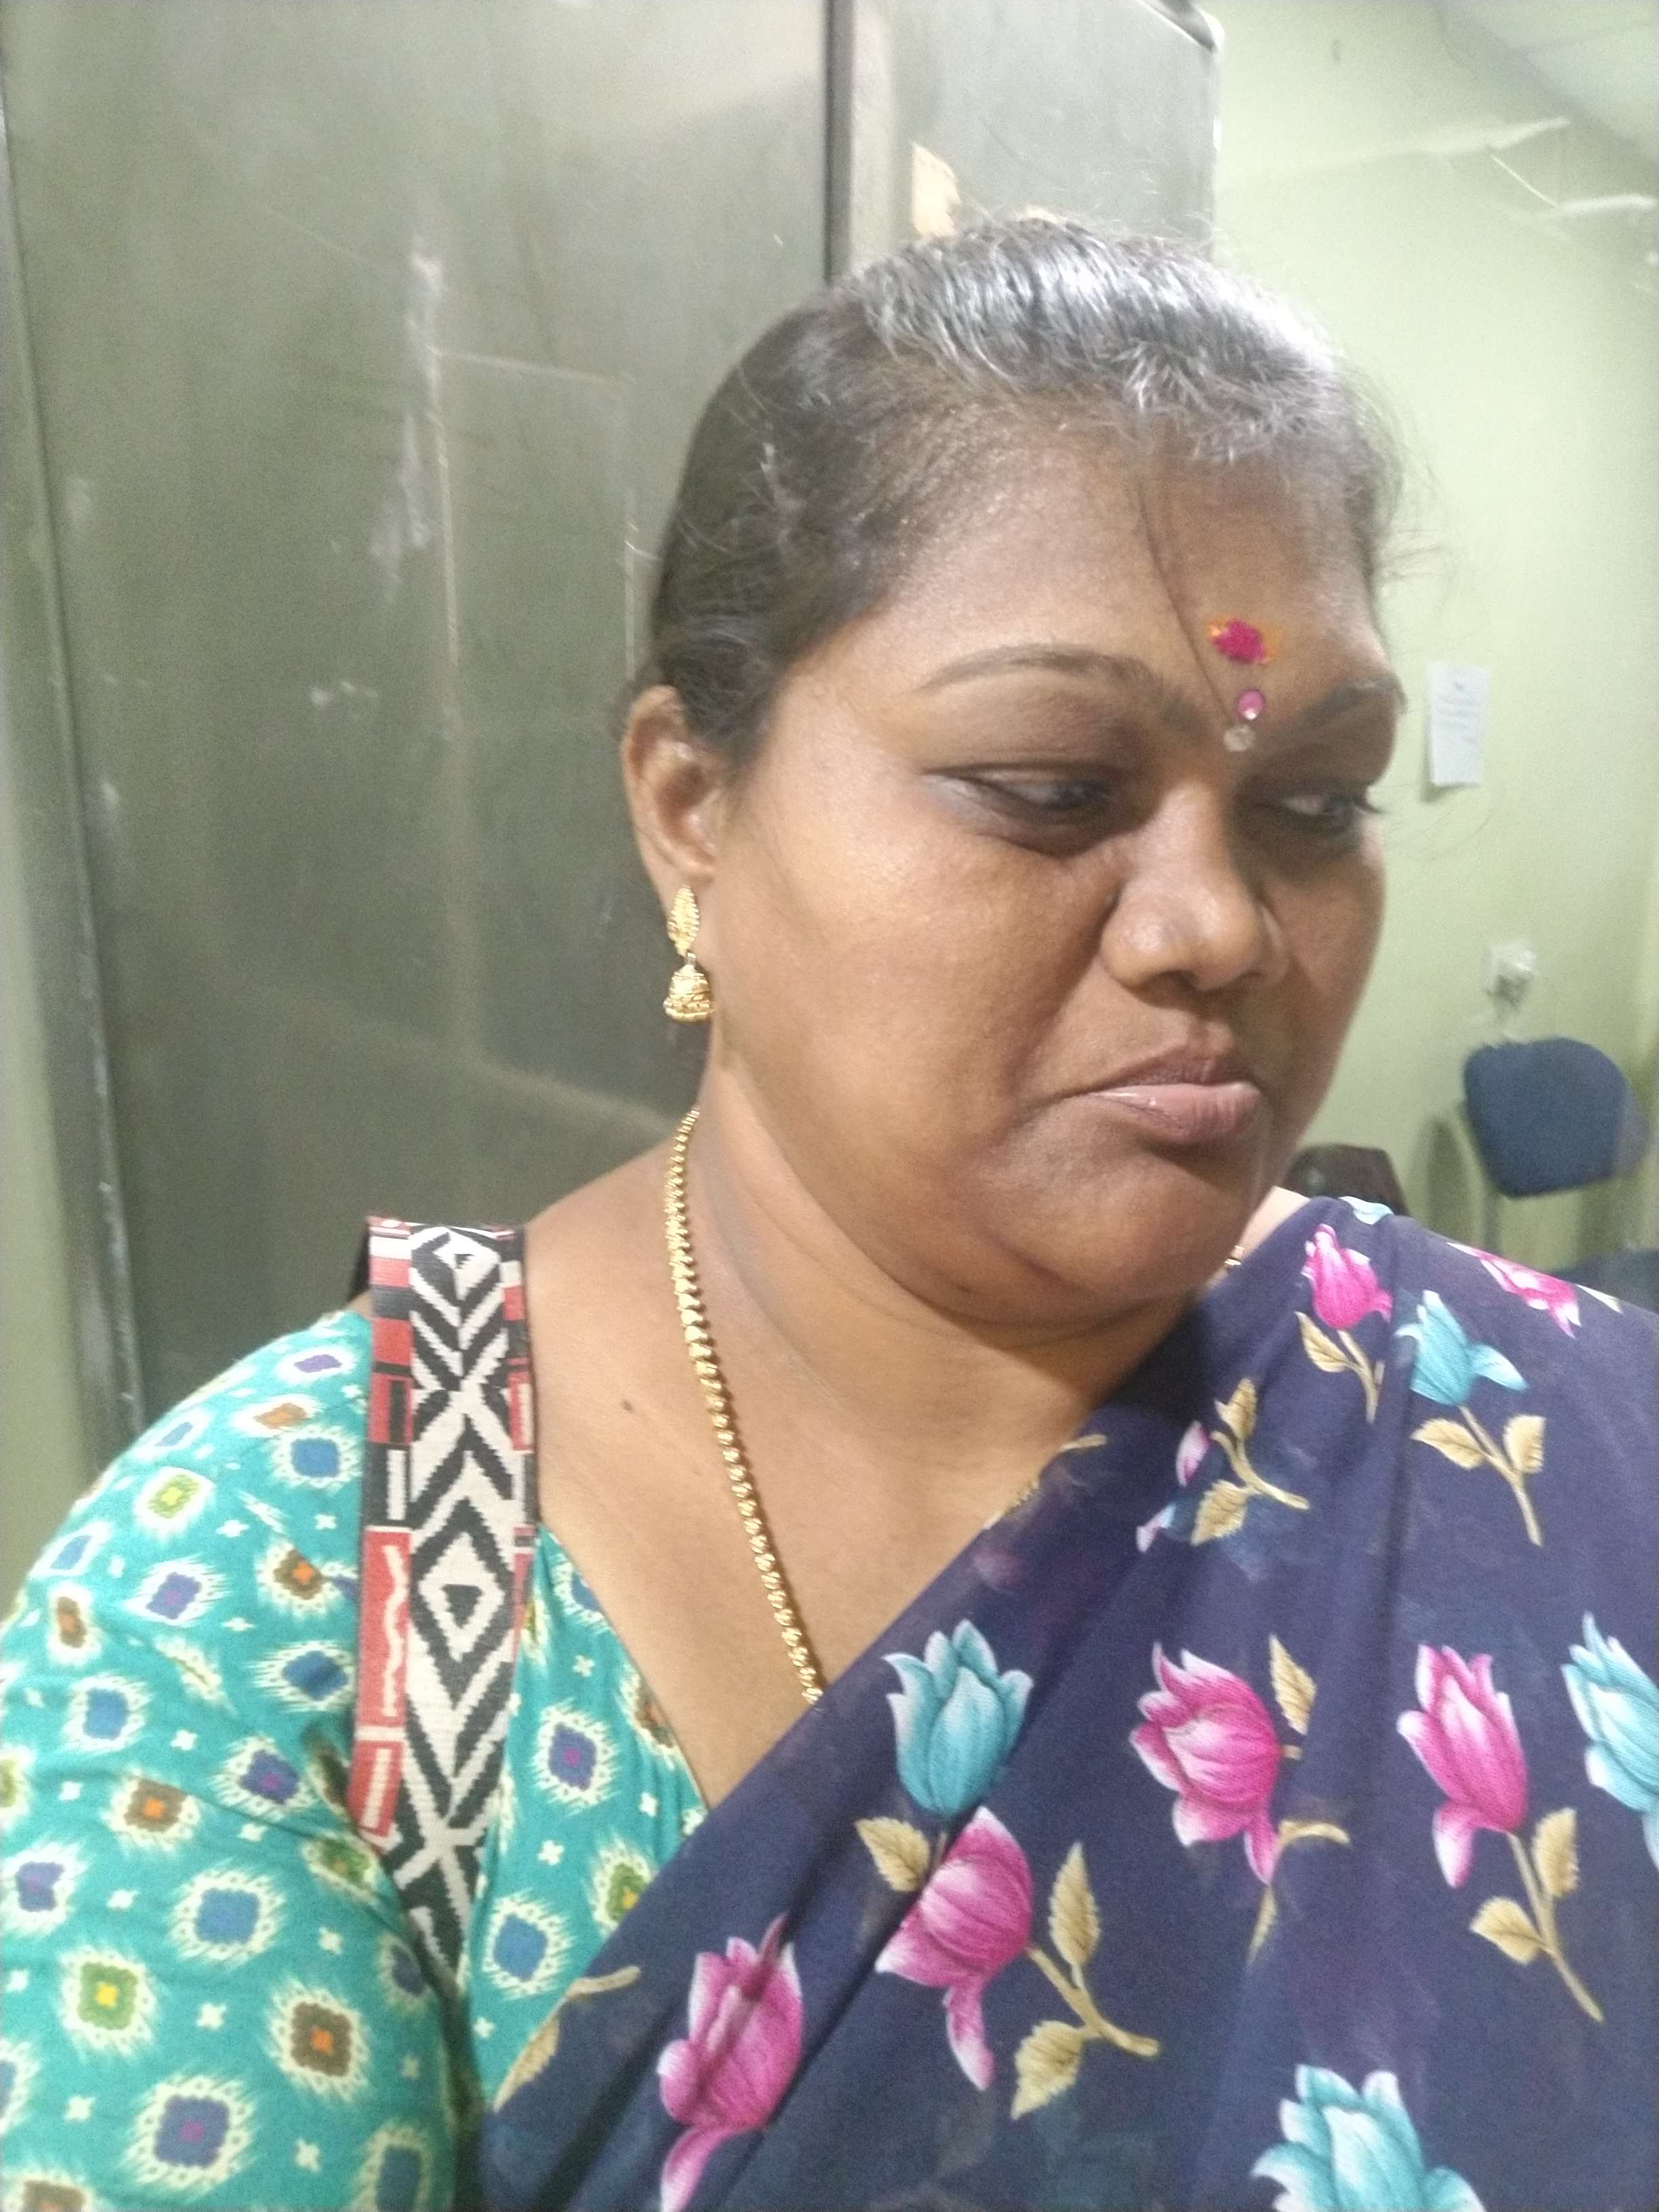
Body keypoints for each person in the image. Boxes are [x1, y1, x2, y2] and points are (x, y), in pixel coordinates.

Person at [2, 218, 1654, 2212]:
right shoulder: (281, 1607)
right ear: (690, 806)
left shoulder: (1543, 1442)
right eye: (1049, 785)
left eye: (1314, 801)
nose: (1219, 924)